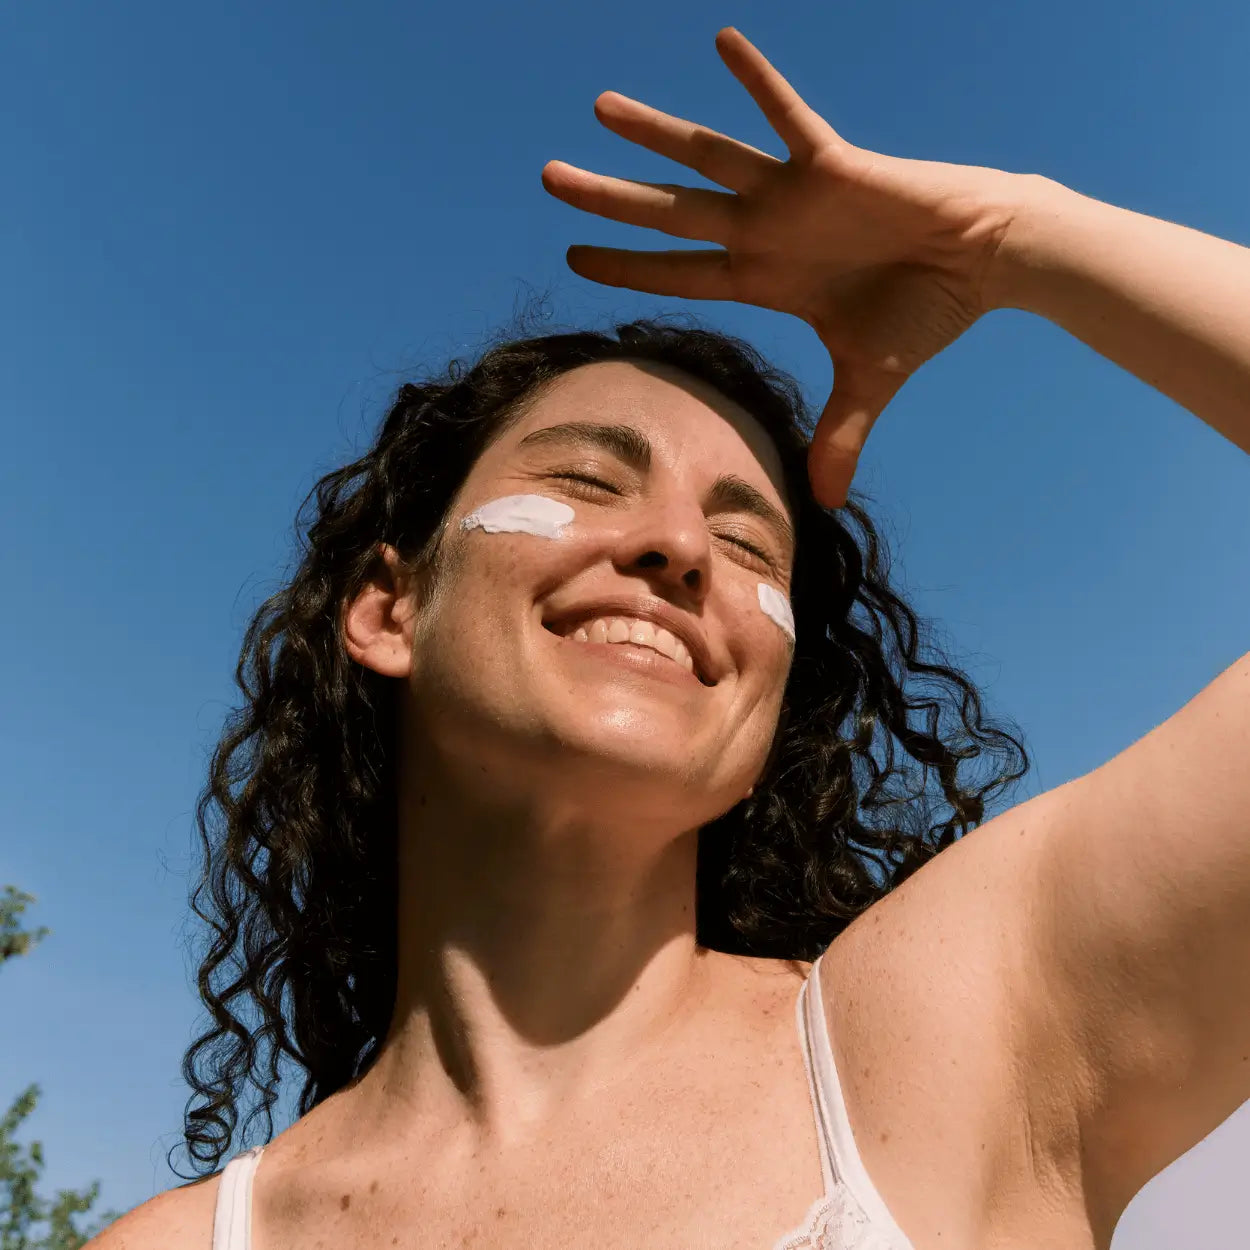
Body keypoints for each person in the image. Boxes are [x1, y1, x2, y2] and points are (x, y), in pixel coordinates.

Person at [96, 27, 1250, 1250]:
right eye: (590, 481)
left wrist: (1009, 241)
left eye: (749, 545)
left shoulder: (964, 1033)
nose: (680, 550)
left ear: (770, 698)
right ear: (388, 610)